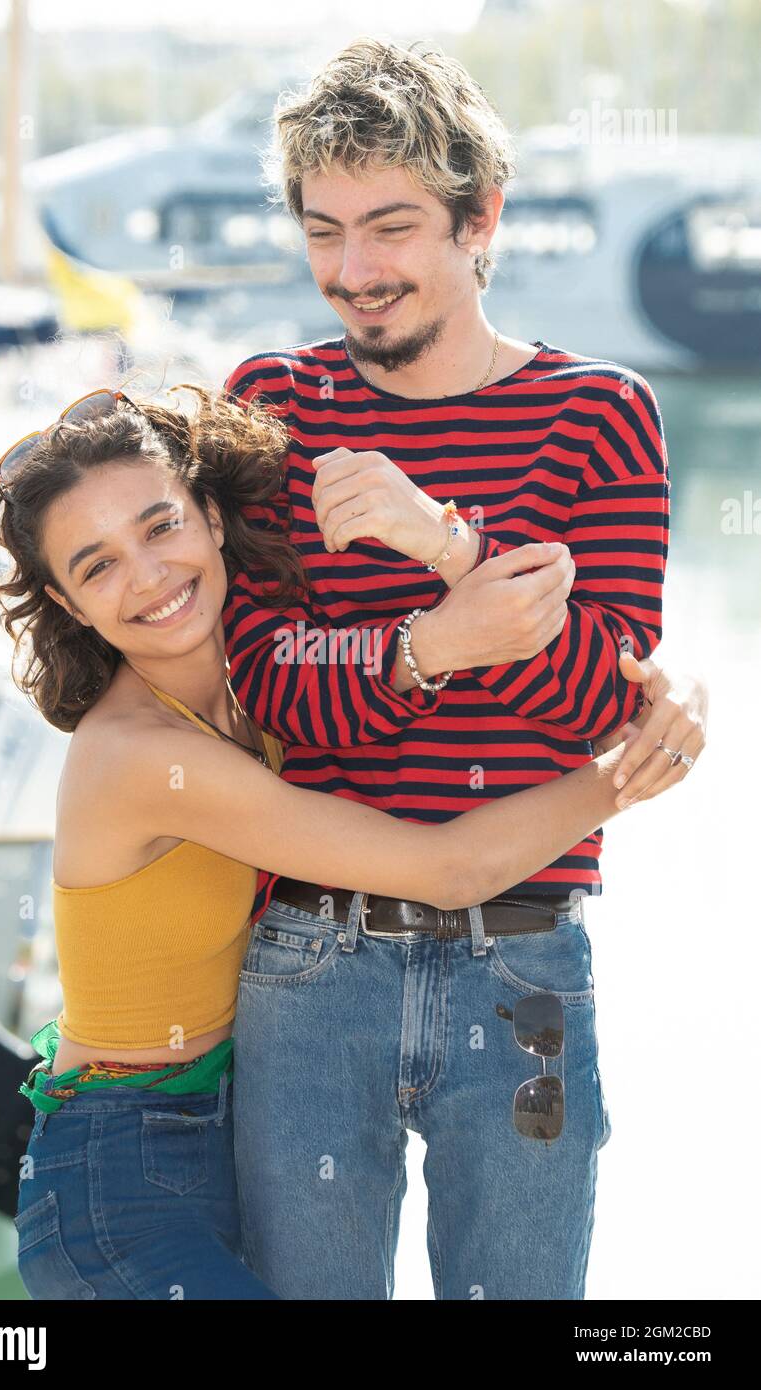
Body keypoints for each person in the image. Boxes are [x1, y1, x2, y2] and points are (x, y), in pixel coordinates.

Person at [0, 382, 694, 1301]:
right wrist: (638, 762)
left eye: (160, 528)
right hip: (115, 1178)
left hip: (215, 1144)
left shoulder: (261, 714)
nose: (150, 576)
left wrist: (648, 689)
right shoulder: (136, 754)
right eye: (98, 566)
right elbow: (450, 869)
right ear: (69, 603)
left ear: (210, 516)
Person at [218, 38, 708, 1299]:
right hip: (305, 963)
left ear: (477, 218)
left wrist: (443, 546)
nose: (353, 272)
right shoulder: (265, 404)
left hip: (527, 964)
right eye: (322, 232)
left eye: (389, 228)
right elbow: (263, 684)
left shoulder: (596, 413)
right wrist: (432, 646)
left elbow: (606, 702)